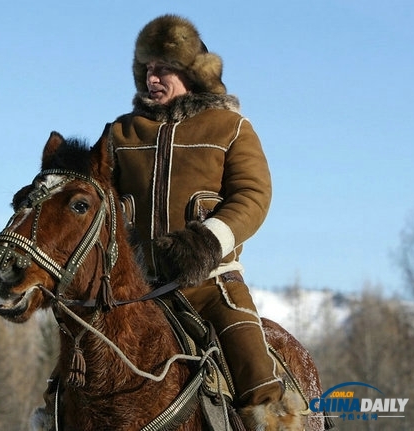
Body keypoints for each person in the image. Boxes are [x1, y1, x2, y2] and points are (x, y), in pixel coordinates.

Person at [100, 14, 284, 426]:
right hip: (135, 289)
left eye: (163, 68)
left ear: (191, 73)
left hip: (209, 281)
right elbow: (93, 198)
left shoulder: (231, 127)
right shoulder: (120, 132)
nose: (152, 78)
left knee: (255, 377)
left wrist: (206, 243)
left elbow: (254, 195)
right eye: (147, 69)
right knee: (76, 361)